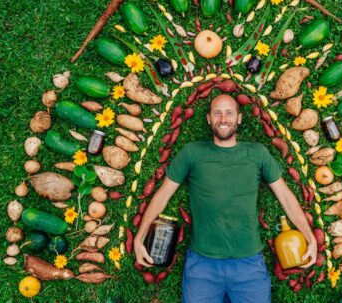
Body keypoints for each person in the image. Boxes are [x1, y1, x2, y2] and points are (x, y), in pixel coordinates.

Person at [134, 94, 317, 303]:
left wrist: (310, 238)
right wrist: (140, 238)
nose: (223, 119)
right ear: (208, 119)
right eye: (217, 113)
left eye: (229, 113)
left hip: (249, 264)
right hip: (202, 266)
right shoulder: (191, 152)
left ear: (239, 118)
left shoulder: (257, 153)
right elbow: (162, 196)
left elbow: (285, 196)